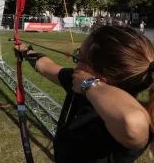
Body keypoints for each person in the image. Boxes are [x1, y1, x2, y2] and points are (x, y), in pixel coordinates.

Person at [15, 25, 154, 162]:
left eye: (79, 56)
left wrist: (88, 85)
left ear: (100, 76)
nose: (75, 63)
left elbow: (132, 121)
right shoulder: (78, 81)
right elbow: (47, 68)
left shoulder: (124, 120)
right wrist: (26, 52)